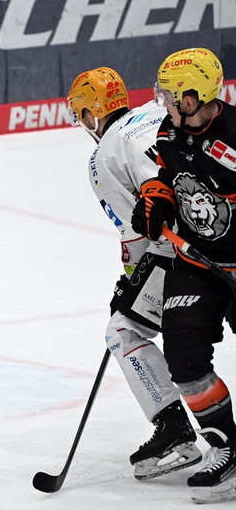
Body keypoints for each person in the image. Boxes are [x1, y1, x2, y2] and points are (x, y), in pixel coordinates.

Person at [67, 67, 201, 480]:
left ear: (92, 113)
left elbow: (137, 231)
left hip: (181, 252)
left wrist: (130, 279)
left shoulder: (102, 155)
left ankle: (174, 429)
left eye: (82, 115)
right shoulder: (157, 112)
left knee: (122, 330)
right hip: (217, 228)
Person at [131, 47, 236, 504]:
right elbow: (164, 174)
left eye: (170, 96)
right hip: (196, 265)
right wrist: (156, 199)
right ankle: (228, 447)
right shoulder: (169, 131)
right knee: (184, 356)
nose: (164, 104)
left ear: (192, 98)